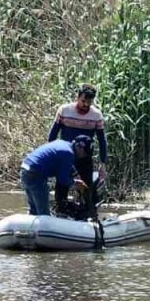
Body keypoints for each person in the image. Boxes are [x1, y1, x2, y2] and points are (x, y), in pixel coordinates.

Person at [47, 84, 106, 219]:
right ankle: (60, 213)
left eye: (89, 102)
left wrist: (103, 164)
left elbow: (102, 141)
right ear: (77, 98)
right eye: (83, 101)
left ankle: (88, 216)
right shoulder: (64, 110)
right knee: (62, 187)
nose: (85, 105)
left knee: (87, 190)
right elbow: (52, 135)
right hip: (65, 156)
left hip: (85, 158)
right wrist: (52, 156)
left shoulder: (96, 115)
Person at [20, 138, 87, 216]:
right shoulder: (69, 153)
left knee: (34, 211)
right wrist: (75, 183)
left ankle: (30, 227)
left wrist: (75, 175)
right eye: (85, 152)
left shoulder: (63, 143)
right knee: (44, 214)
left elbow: (64, 164)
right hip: (35, 174)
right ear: (80, 147)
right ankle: (44, 227)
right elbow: (63, 179)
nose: (84, 156)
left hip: (25, 168)